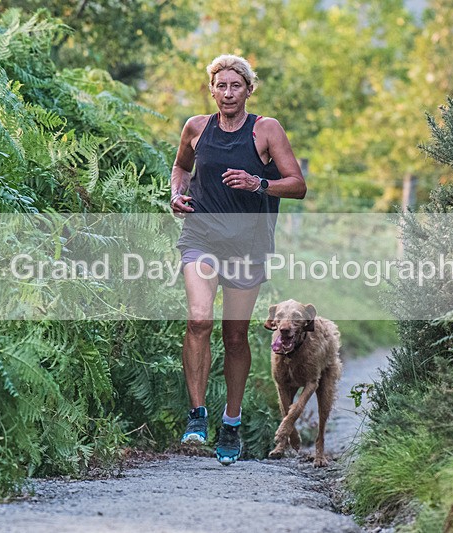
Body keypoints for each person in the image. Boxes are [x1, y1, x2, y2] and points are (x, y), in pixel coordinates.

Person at [170, 54, 306, 465]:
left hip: (247, 243)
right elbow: (180, 167)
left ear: (249, 89)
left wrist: (258, 183)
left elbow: (297, 185)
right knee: (198, 319)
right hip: (201, 236)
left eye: (236, 86)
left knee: (234, 336)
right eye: (221, 86)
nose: (228, 93)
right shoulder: (196, 127)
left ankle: (231, 422)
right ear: (211, 90)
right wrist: (175, 194)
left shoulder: (266, 130)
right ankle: (197, 415)